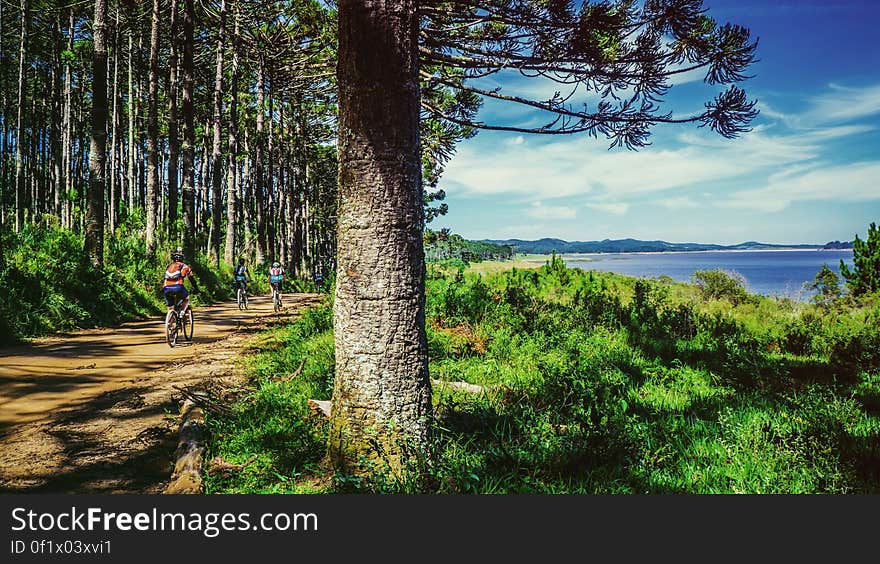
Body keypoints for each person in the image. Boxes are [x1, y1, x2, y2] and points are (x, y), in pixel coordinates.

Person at [163, 248, 199, 313]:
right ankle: (182, 312)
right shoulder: (185, 267)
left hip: (166, 288)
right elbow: (191, 279)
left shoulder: (169, 266)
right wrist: (196, 289)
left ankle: (169, 320)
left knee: (170, 306)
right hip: (178, 287)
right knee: (186, 298)